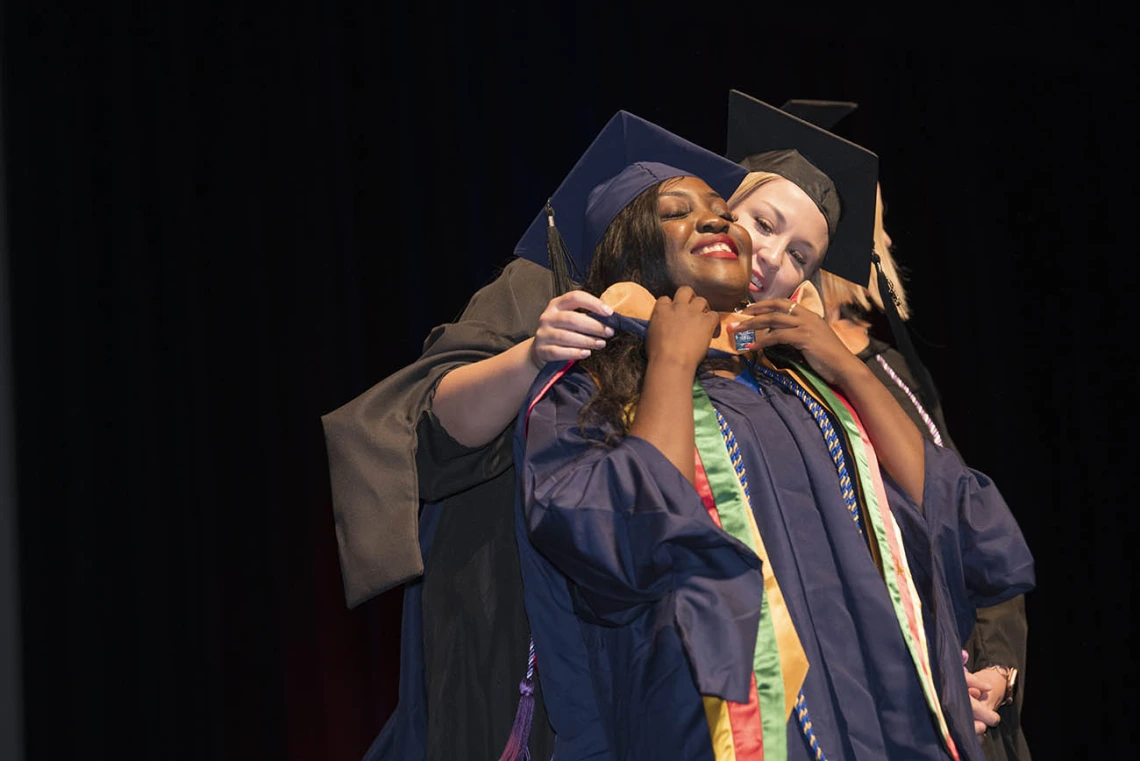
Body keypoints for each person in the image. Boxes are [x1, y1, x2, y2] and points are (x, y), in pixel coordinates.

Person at [513, 97, 1035, 761]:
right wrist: (671, 358)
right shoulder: (587, 393)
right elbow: (629, 538)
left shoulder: (800, 389)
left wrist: (847, 369)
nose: (721, 225)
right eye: (684, 211)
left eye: (799, 254)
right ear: (632, 244)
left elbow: (956, 522)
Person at [818, 183, 1031, 761]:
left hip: (969, 691)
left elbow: (965, 522)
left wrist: (997, 664)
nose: (885, 239)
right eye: (875, 222)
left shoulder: (887, 367)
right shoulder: (770, 379)